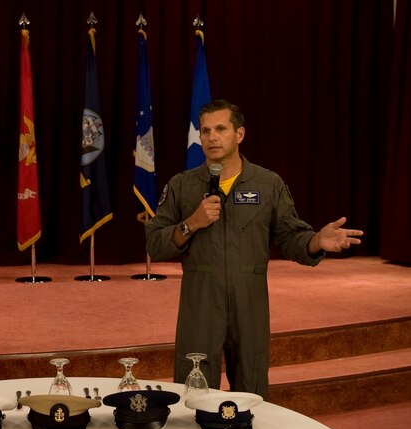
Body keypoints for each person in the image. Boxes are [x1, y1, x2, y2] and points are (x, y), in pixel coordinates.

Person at [145, 99, 363, 399]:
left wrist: (315, 241)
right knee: (193, 389)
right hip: (200, 301)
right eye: (206, 131)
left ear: (240, 134)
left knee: (252, 387)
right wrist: (191, 223)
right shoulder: (182, 185)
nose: (212, 137)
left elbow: (290, 236)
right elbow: (155, 244)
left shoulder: (267, 184)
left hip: (250, 300)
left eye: (220, 129)